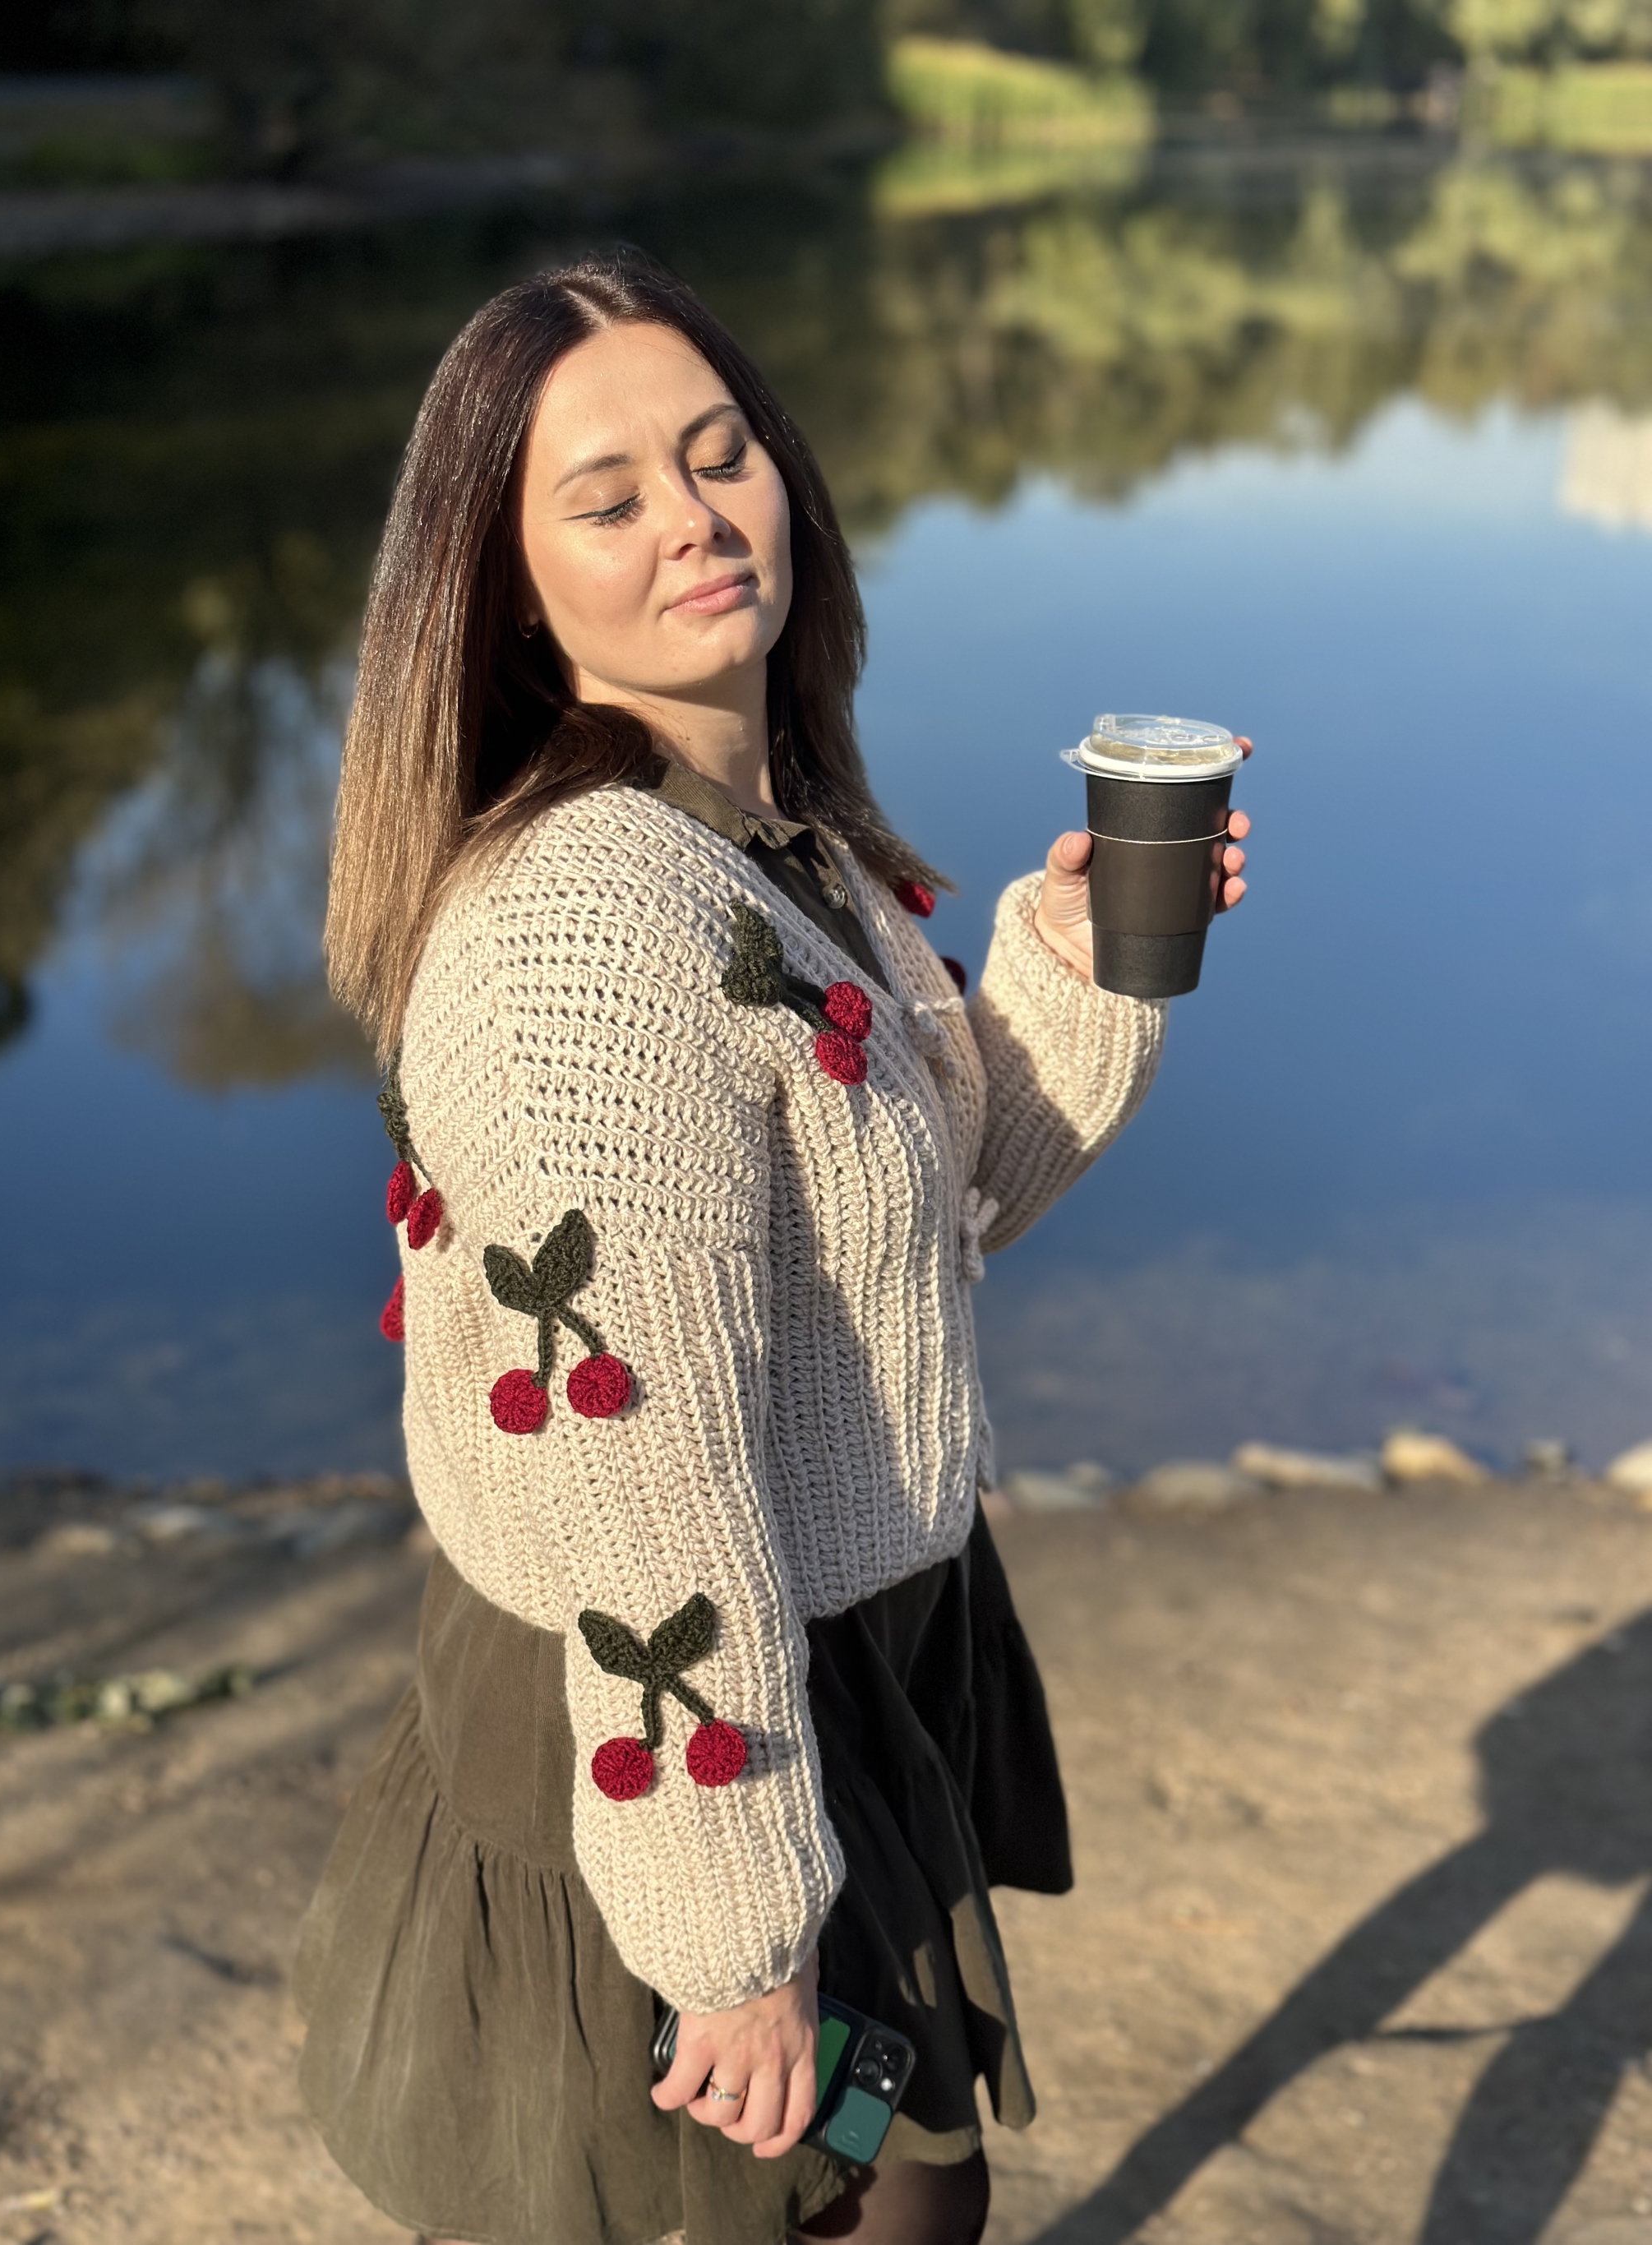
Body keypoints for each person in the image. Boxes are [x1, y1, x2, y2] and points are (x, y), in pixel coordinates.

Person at [297, 248, 1251, 2245]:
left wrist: (1061, 977)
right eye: (610, 495)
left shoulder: (761, 841)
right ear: (506, 587)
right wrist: (731, 1925)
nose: (697, 517)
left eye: (720, 454)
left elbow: (919, 1214)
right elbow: (638, 1460)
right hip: (682, 1715)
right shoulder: (584, 935)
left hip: (811, 1663)